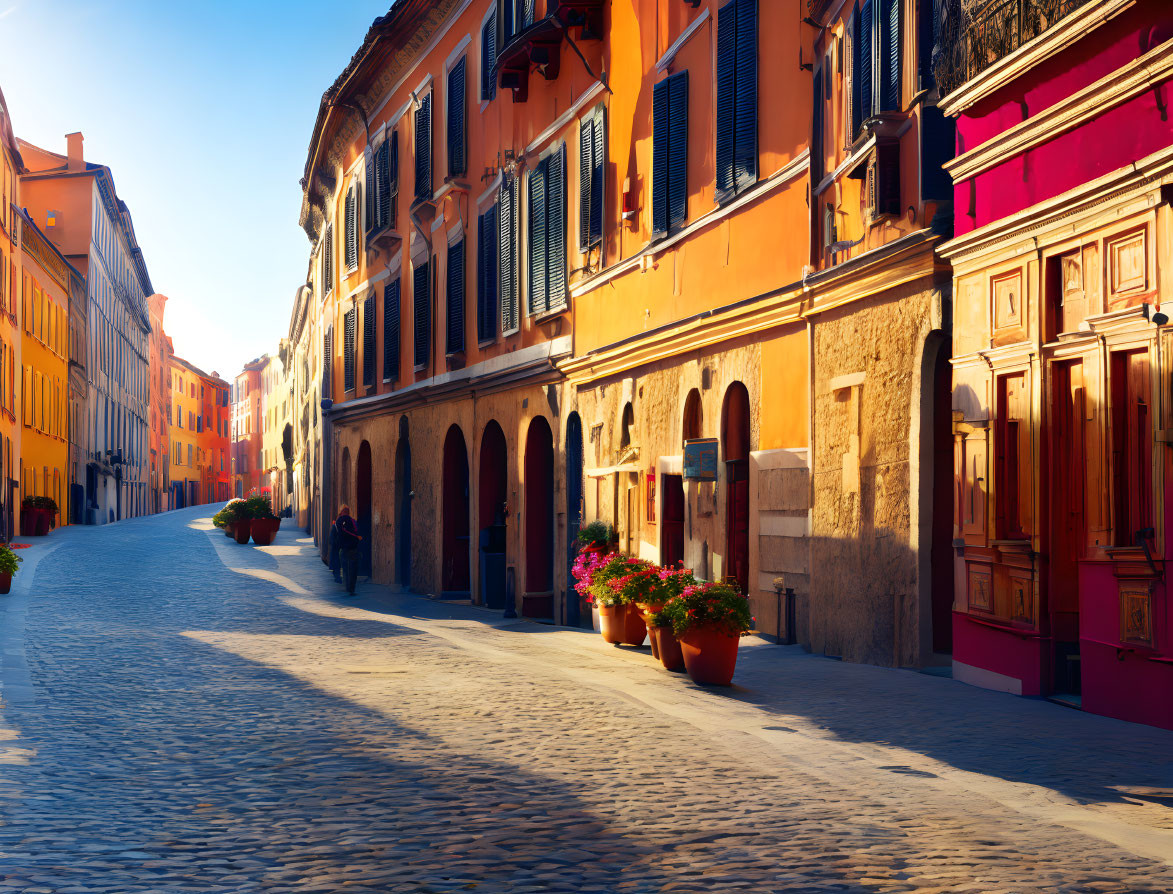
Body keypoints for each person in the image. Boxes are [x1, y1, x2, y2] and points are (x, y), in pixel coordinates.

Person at [335, 505, 362, 595]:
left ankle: (348, 587)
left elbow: (337, 531)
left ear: (342, 512)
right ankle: (351, 589)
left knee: (346, 569)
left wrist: (340, 517)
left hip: (345, 549)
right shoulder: (353, 521)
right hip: (353, 549)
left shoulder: (339, 522)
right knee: (353, 570)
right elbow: (358, 532)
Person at [328, 516, 342, 583]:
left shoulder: (335, 527)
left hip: (336, 548)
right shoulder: (336, 527)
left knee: (336, 563)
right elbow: (331, 540)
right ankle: (337, 577)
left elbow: (331, 540)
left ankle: (337, 576)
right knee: (337, 563)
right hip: (337, 548)